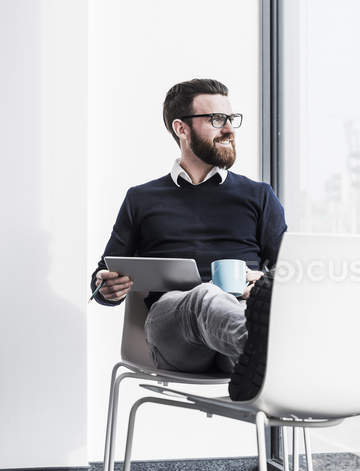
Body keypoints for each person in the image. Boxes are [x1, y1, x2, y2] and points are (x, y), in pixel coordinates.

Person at [90, 78, 287, 374]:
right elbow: (104, 276)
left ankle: (255, 355)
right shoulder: (141, 199)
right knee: (205, 296)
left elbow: (291, 274)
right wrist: (106, 287)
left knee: (226, 303)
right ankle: (270, 356)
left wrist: (265, 283)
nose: (229, 129)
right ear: (181, 128)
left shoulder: (258, 195)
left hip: (235, 331)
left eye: (231, 119)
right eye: (217, 119)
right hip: (174, 333)